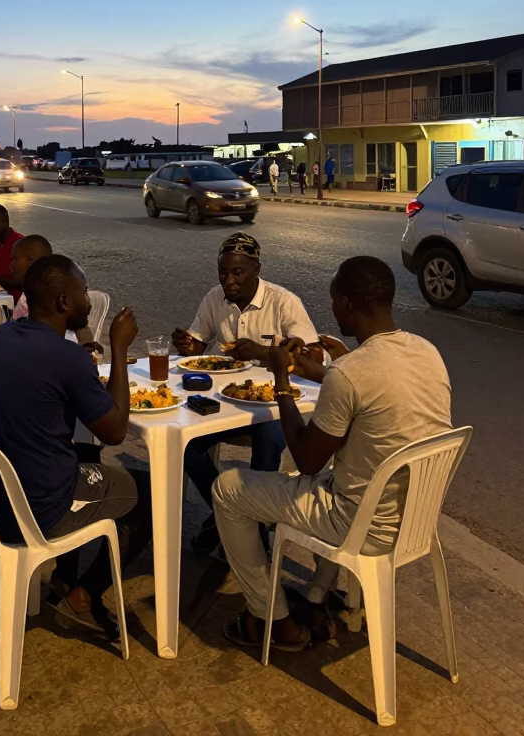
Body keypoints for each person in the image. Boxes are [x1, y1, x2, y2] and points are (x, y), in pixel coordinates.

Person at [213, 255, 452, 653]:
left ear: (346, 305)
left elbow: (307, 459)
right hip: (414, 518)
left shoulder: (351, 372)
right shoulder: (426, 351)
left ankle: (269, 618)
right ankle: (317, 597)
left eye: (332, 299)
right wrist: (323, 374)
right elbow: (377, 393)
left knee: (228, 489)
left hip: (362, 525)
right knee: (335, 479)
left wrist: (282, 377)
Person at [0, 254, 152, 639]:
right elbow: (116, 431)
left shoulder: (3, 335)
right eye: (84, 291)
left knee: (85, 456)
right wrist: (119, 348)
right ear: (64, 303)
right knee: (152, 494)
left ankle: (63, 579)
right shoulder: (67, 357)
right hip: (36, 508)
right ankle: (83, 597)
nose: (88, 299)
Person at [171, 233, 321, 555]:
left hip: (276, 404)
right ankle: (230, 514)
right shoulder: (215, 299)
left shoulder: (283, 302)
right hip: (230, 402)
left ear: (256, 269)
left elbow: (313, 358)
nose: (229, 280)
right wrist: (186, 345)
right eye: (223, 272)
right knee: (187, 443)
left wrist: (264, 352)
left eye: (237, 273)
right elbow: (199, 345)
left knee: (268, 436)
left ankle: (248, 520)